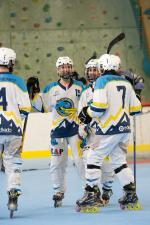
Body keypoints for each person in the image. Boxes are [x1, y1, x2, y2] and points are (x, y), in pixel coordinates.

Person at [76, 54, 142, 212]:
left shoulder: (101, 81)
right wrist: (137, 92)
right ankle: (130, 194)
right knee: (119, 162)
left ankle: (91, 195)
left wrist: (87, 112)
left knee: (92, 156)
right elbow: (136, 109)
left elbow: (98, 108)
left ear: (102, 67)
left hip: (107, 129)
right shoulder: (125, 82)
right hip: (124, 129)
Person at [27, 56, 85, 207]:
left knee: (80, 161)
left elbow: (88, 104)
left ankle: (90, 189)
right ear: (57, 70)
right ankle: (58, 191)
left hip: (76, 131)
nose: (65, 69)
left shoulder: (80, 86)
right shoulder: (50, 88)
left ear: (71, 68)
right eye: (62, 67)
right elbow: (40, 107)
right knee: (56, 163)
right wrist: (32, 94)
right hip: (57, 133)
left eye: (68, 66)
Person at [78, 59, 114, 205]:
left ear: (100, 71)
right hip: (92, 135)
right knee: (88, 159)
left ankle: (107, 188)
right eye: (90, 70)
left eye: (95, 70)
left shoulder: (107, 88)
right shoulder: (85, 93)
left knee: (108, 165)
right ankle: (93, 190)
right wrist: (82, 128)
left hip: (107, 132)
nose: (92, 72)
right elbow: (81, 113)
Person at [0, 47, 31, 213]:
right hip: (13, 129)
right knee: (12, 163)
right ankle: (13, 192)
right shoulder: (18, 81)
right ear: (11, 62)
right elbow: (26, 108)